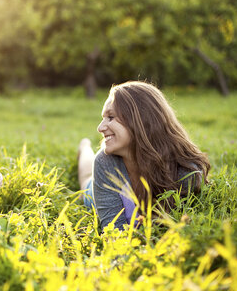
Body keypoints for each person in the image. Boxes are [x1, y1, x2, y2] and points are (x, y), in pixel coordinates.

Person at [78, 81, 210, 230]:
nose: (100, 127)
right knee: (86, 179)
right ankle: (84, 147)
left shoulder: (185, 173)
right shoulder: (104, 162)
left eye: (111, 117)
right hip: (97, 191)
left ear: (140, 120)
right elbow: (114, 233)